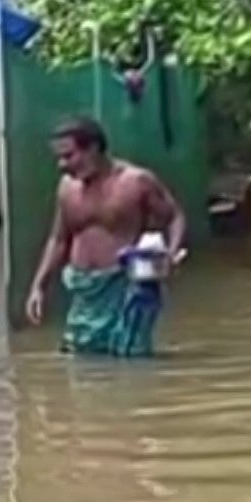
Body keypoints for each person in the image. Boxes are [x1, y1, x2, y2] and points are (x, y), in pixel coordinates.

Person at [24, 116, 188, 357]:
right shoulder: (66, 188)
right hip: (84, 290)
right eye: (59, 158)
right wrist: (38, 287)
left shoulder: (136, 182)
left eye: (69, 156)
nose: (61, 164)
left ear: (93, 149)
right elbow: (58, 240)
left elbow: (174, 216)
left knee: (131, 358)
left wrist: (171, 255)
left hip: (126, 286)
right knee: (78, 359)